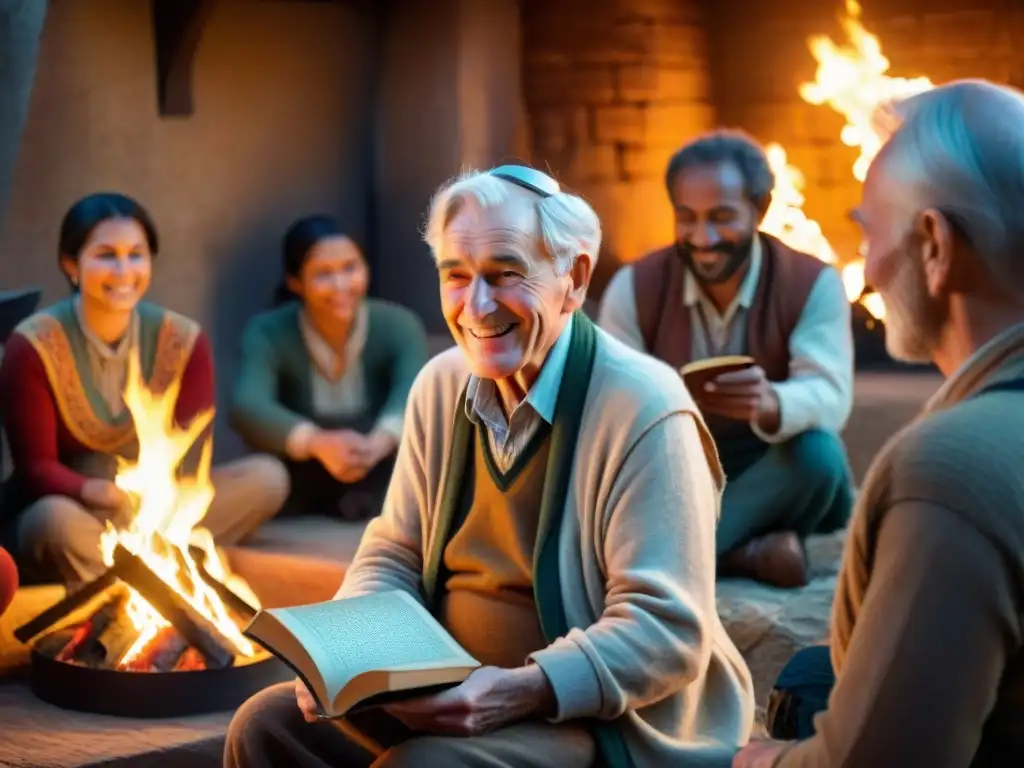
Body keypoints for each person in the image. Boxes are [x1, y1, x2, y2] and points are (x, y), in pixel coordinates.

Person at [224, 165, 755, 768]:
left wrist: (519, 689)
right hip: (447, 695)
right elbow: (395, 550)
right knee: (264, 726)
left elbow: (666, 631)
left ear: (574, 278)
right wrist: (348, 655)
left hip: (596, 717)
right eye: (456, 277)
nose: (476, 306)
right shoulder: (440, 384)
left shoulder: (645, 409)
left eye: (505, 275)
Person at [735, 79, 1024, 768]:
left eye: (868, 235)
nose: (863, 273)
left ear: (933, 245)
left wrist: (754, 761)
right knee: (814, 676)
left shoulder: (952, 467)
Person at [598, 130, 855, 588]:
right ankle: (746, 555)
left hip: (769, 467)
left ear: (761, 209)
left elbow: (830, 396)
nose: (703, 238)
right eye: (687, 218)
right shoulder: (634, 287)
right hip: (672, 470)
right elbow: (605, 403)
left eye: (721, 218)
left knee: (820, 455)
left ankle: (662, 561)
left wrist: (770, 402)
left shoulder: (812, 282)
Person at [0, 192, 289, 589]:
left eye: (136, 254)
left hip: (158, 506)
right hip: (77, 508)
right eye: (106, 255)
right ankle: (154, 582)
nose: (123, 270)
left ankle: (142, 567)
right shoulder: (31, 345)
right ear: (71, 264)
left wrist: (155, 500)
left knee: (267, 477)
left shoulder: (183, 340)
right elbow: (36, 469)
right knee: (51, 522)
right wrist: (101, 491)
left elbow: (191, 460)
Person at [229, 215, 429, 521]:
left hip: (384, 465)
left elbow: (415, 391)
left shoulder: (399, 326)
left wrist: (379, 442)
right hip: (301, 474)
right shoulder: (267, 332)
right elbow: (248, 406)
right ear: (295, 282)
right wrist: (317, 443)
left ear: (366, 268)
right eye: (323, 274)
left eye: (351, 268)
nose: (341, 285)